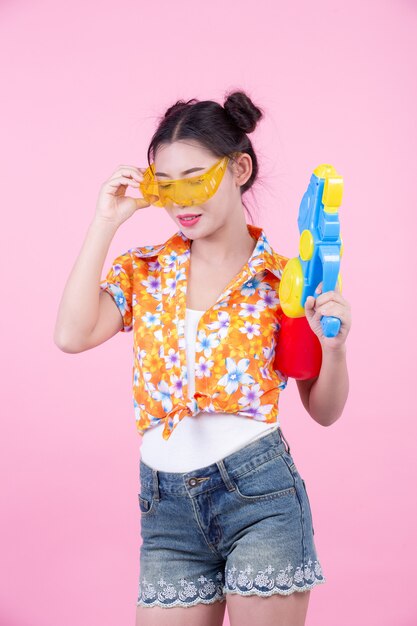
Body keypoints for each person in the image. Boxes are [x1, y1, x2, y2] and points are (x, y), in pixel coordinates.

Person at [54, 90, 351, 626]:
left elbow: (323, 410)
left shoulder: (284, 281)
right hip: (165, 508)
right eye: (164, 187)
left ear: (239, 169)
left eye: (196, 179)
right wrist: (106, 221)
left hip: (259, 496)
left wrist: (334, 348)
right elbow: (72, 334)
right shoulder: (145, 270)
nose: (181, 202)